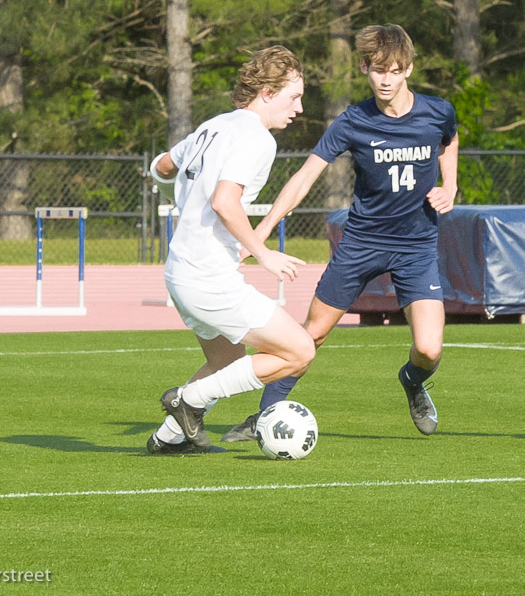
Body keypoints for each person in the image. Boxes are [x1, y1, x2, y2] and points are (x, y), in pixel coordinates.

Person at [221, 24, 458, 442]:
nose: (386, 79)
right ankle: (264, 416)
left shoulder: (438, 111)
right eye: (378, 70)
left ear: (409, 70)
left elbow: (449, 139)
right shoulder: (353, 121)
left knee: (429, 349)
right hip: (361, 244)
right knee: (308, 336)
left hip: (416, 246)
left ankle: (412, 381)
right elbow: (304, 178)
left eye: (396, 70)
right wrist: (257, 235)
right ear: (365, 67)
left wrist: (450, 184)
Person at [145, 46, 316, 454]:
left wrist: (178, 196)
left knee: (224, 362)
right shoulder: (257, 137)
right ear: (268, 92)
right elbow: (225, 201)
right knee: (298, 351)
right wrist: (262, 252)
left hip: (180, 271)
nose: (300, 107)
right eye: (294, 96)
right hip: (208, 276)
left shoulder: (214, 125)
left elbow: (161, 167)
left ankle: (168, 438)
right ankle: (187, 401)